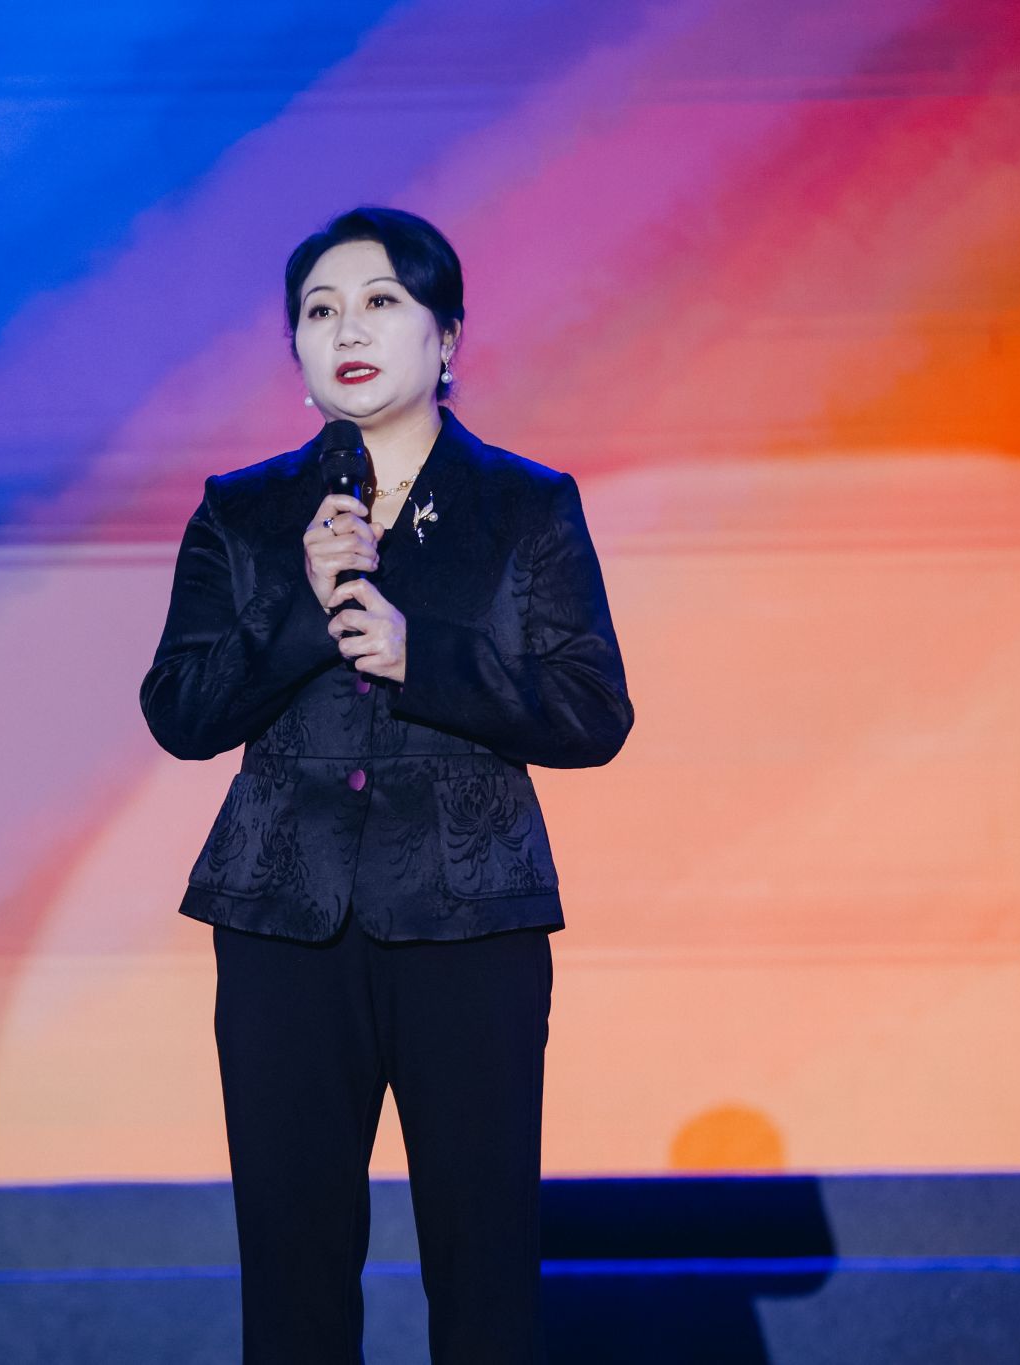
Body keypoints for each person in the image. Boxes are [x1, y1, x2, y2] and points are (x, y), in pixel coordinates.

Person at [139, 206, 633, 1364]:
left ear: (445, 336)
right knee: (294, 1275)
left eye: (378, 302)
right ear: (296, 353)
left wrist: (426, 659)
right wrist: (302, 613)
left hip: (470, 920)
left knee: (483, 1268)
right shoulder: (245, 512)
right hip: (282, 919)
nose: (345, 330)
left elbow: (590, 711)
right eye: (318, 311)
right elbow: (180, 711)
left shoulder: (523, 506)